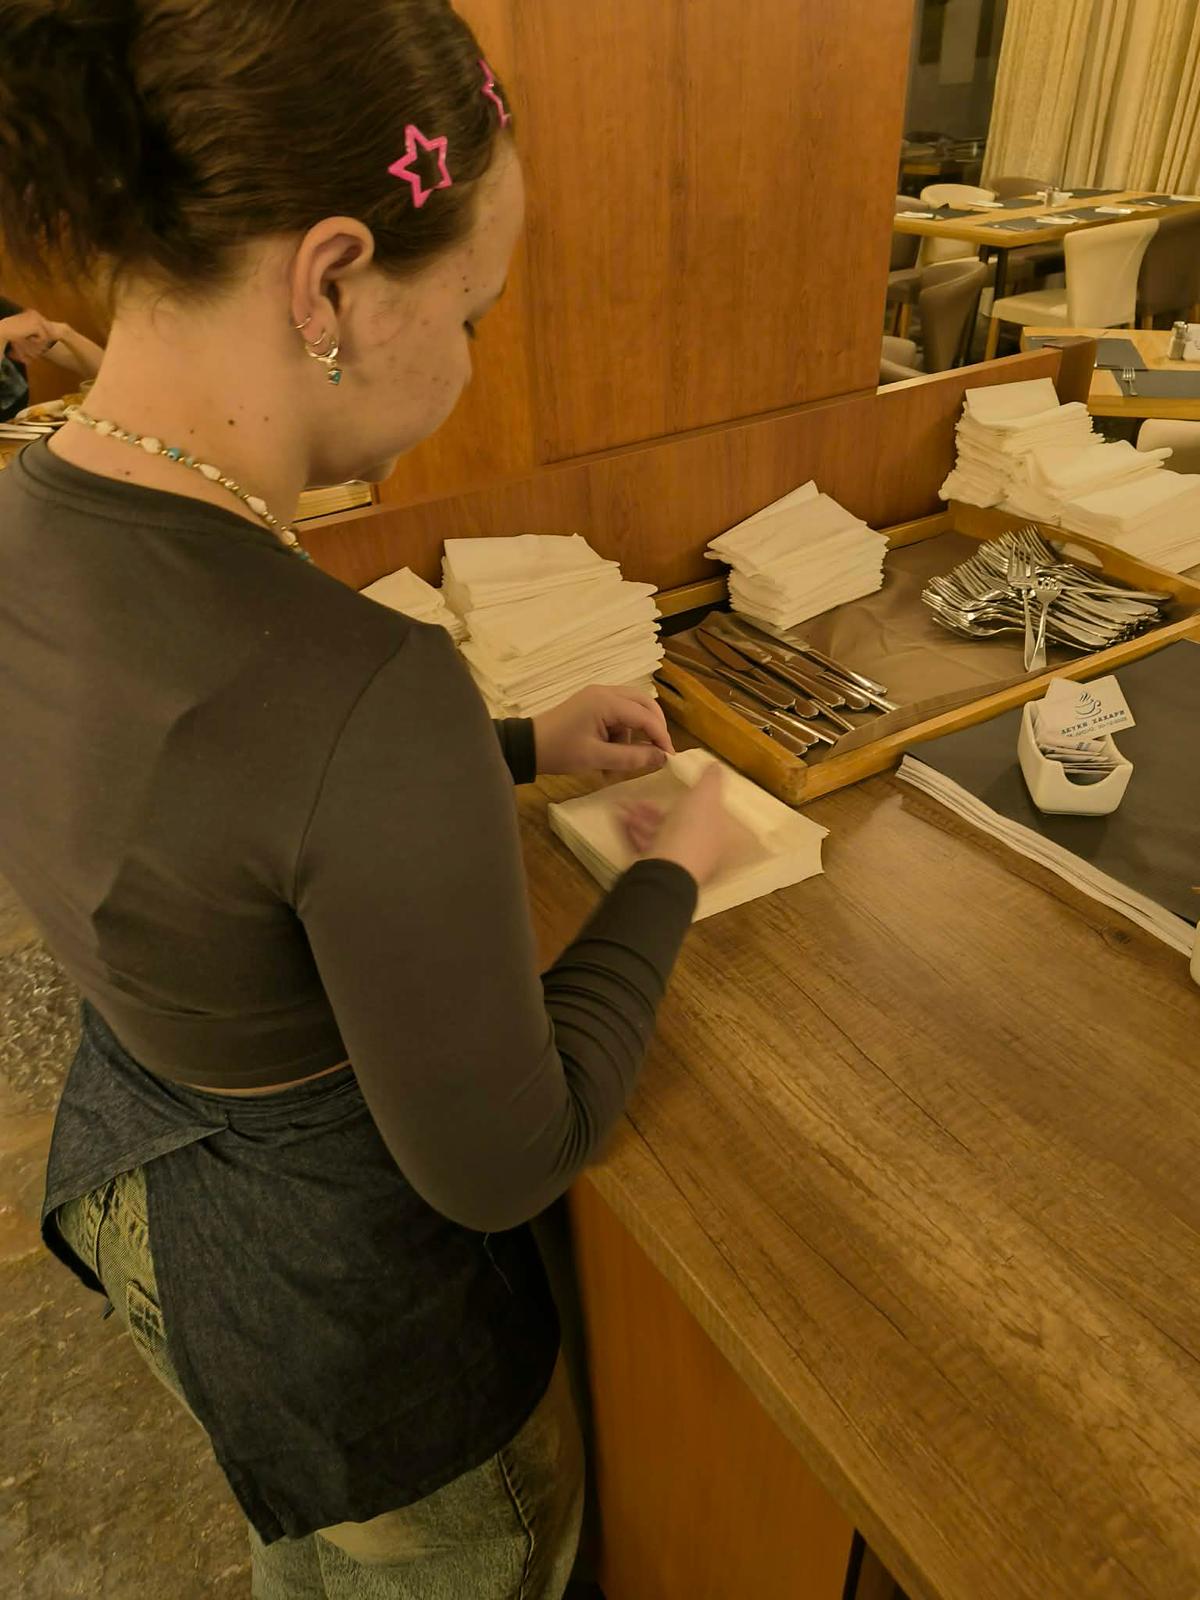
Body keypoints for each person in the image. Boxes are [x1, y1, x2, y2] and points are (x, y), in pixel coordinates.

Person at [0, 2, 736, 1596]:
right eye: (474, 306)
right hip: (357, 1331)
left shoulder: (31, 514)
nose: (470, 356)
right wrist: (671, 867)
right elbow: (506, 1157)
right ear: (331, 280)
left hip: (150, 1196)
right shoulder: (368, 691)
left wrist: (516, 746)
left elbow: (214, 800)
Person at [0, 294, 104, 419]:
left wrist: (65, 333)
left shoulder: (3, 309)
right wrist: (2, 334)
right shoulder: (4, 328)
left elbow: (104, 371)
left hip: (21, 428)